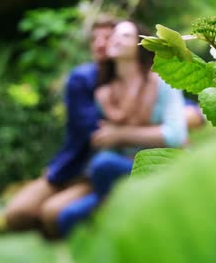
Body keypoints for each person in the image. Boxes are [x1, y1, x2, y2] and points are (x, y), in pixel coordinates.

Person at [52, 20, 187, 236]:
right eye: (114, 34)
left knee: (103, 165)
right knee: (67, 217)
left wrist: (120, 134)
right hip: (117, 176)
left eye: (124, 36)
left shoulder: (163, 83)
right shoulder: (104, 93)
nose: (115, 39)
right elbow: (104, 141)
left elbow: (175, 135)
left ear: (140, 45)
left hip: (160, 170)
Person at [4, 15, 117, 235]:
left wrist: (190, 112)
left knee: (52, 214)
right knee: (17, 214)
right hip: (68, 167)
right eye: (95, 39)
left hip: (96, 174)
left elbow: (178, 107)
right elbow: (91, 129)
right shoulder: (82, 78)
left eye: (107, 38)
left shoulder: (137, 78)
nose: (99, 44)